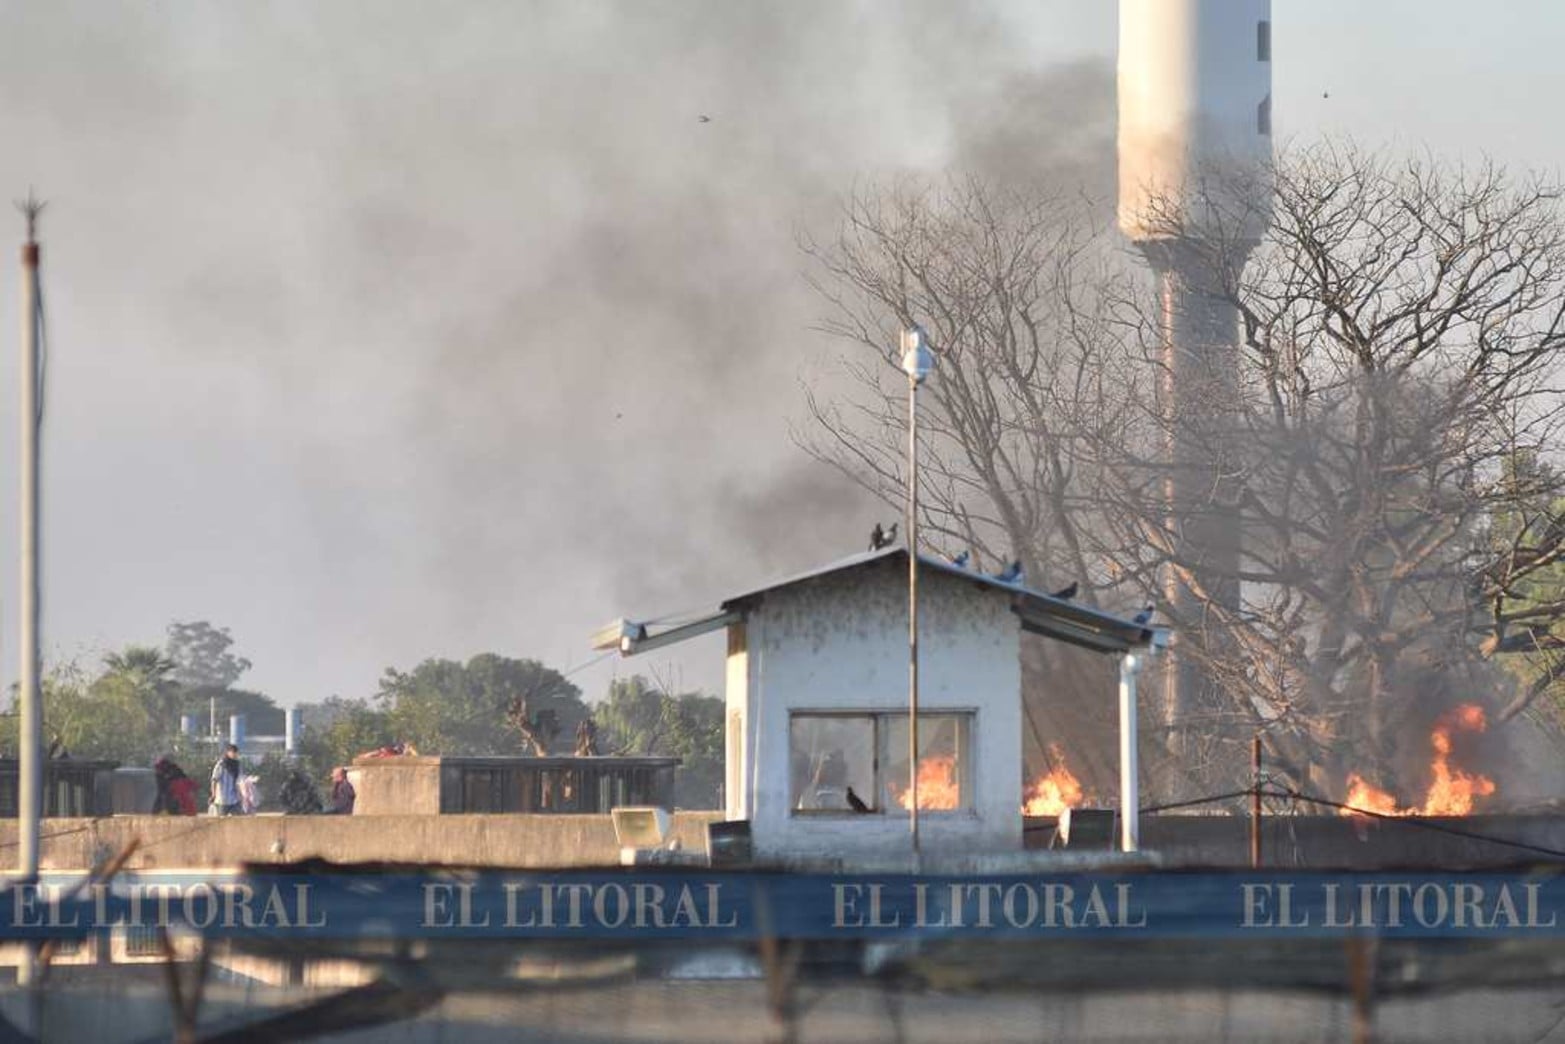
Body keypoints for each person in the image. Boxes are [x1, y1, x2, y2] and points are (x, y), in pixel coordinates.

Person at [210, 743, 243, 816]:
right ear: (228, 752)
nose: (235, 754)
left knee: (238, 819)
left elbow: (239, 781)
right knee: (221, 820)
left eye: (236, 752)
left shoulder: (237, 765)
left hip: (234, 799)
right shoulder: (221, 764)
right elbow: (214, 780)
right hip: (222, 800)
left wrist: (240, 794)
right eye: (233, 752)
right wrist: (213, 794)